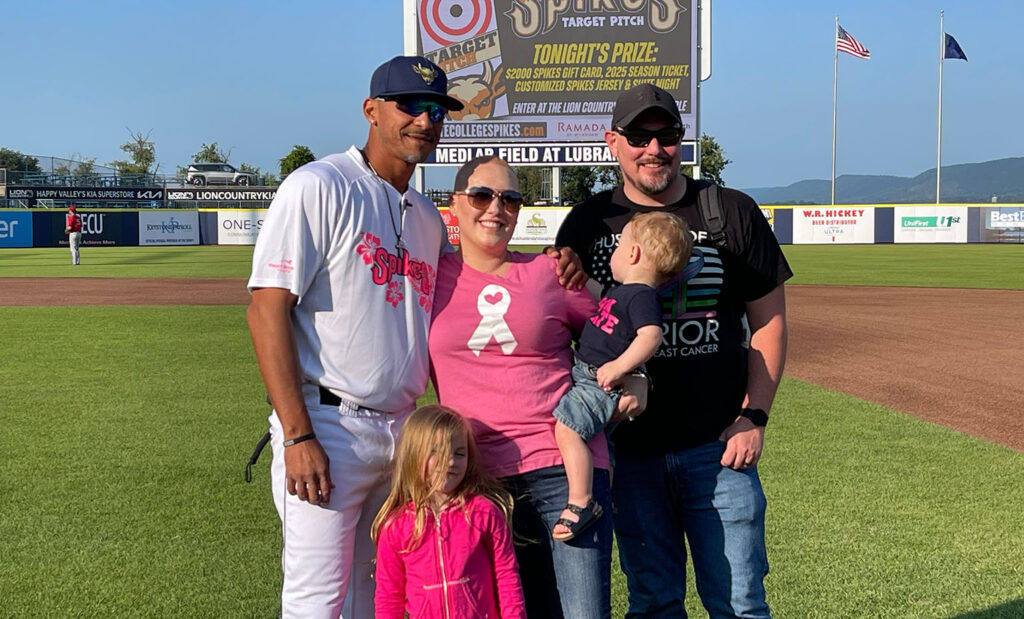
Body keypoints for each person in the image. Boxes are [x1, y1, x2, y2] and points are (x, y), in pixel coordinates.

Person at [556, 83, 792, 618]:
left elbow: (769, 323)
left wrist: (754, 415)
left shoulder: (729, 211)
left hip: (718, 450)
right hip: (628, 454)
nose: (654, 148)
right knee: (653, 603)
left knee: (739, 605)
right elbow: (565, 326)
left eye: (667, 136)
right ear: (613, 142)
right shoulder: (588, 222)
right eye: (640, 136)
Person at [245, 55, 465, 618]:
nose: (425, 120)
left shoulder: (426, 218)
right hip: (329, 426)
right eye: (409, 105)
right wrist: (297, 437)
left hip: (403, 432)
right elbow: (267, 310)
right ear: (371, 110)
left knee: (379, 599)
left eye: (436, 109)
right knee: (316, 602)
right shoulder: (319, 186)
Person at [428, 155, 646, 618]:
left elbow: (615, 330)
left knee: (581, 612)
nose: (496, 209)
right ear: (455, 204)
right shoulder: (428, 279)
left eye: (510, 199)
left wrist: (640, 376)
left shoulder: (551, 272)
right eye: (482, 195)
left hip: (564, 470)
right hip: (473, 476)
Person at [551, 211, 692, 543]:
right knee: (605, 447)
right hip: (589, 374)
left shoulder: (642, 296)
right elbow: (601, 294)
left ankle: (581, 502)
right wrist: (581, 278)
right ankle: (606, 494)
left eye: (618, 246)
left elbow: (651, 336)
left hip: (600, 381)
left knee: (568, 430)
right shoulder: (625, 291)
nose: (613, 253)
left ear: (633, 254)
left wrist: (619, 367)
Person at [372, 404, 526, 619]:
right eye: (437, 452)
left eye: (459, 453)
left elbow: (506, 576)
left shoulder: (484, 512)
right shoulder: (396, 526)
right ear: (414, 455)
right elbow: (389, 596)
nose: (451, 461)